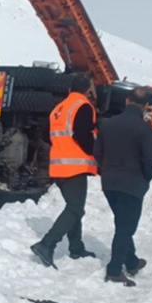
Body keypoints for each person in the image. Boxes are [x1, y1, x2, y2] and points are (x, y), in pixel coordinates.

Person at [31, 78, 98, 269]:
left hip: (58, 166)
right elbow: (82, 135)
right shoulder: (83, 106)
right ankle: (47, 244)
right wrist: (96, 153)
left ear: (70, 89)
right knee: (76, 209)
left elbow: (46, 135)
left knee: (73, 206)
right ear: (88, 90)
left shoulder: (59, 109)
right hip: (75, 166)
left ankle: (76, 247)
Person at [94, 87, 152, 287]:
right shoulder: (143, 127)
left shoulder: (107, 123)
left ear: (127, 101)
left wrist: (107, 170)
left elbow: (97, 152)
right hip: (132, 183)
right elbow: (150, 159)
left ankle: (131, 262)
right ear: (148, 105)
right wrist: (145, 178)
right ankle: (114, 271)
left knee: (122, 223)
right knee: (125, 228)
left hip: (110, 182)